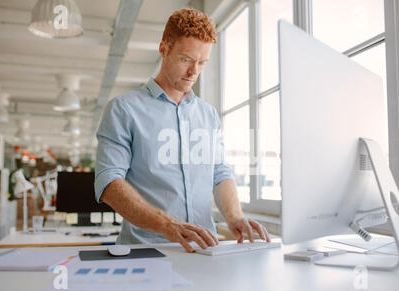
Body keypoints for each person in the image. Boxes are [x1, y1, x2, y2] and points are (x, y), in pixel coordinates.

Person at [94, 8, 270, 253]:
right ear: (163, 49)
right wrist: (168, 225)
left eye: (202, 63)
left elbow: (219, 172)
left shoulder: (208, 115)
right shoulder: (124, 109)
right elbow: (109, 182)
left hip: (204, 250)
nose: (193, 72)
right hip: (145, 251)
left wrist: (235, 217)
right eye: (186, 59)